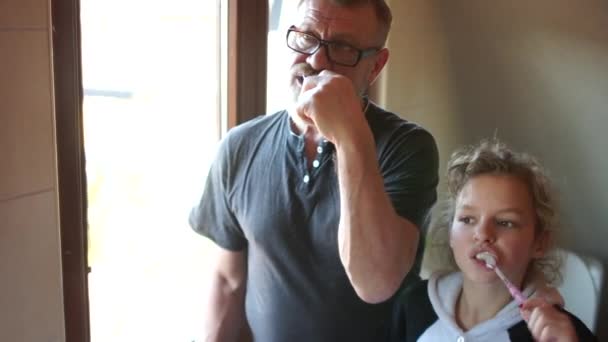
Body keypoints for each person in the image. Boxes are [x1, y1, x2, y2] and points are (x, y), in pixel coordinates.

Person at [189, 0, 439, 341]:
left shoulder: (408, 147)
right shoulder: (240, 146)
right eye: (306, 37)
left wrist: (349, 135)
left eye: (342, 47)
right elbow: (228, 280)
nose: (317, 60)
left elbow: (376, 282)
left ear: (376, 66)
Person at [388, 140, 598, 342]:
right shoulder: (414, 305)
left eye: (505, 222)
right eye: (467, 219)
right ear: (451, 233)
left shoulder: (559, 333)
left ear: (539, 242)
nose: (483, 233)